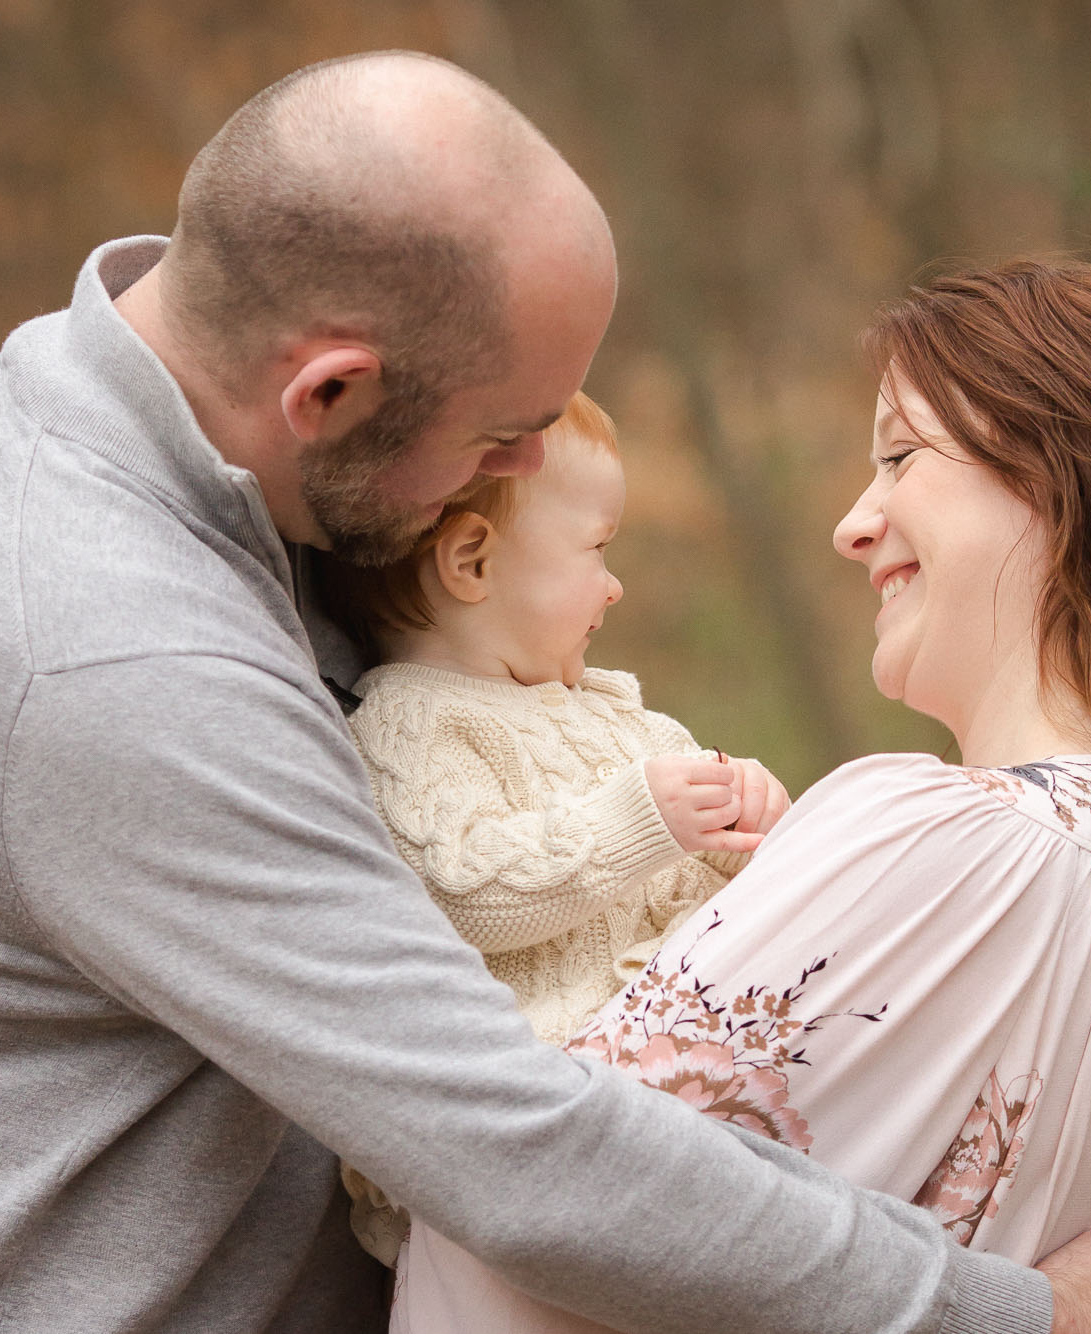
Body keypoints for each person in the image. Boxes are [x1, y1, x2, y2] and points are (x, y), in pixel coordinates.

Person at [0, 50, 1091, 1334]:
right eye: (506, 436)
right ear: (335, 392)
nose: (514, 489)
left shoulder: (217, 437)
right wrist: (1010, 1310)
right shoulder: (102, 649)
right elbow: (511, 1150)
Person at [388, 262, 1091, 1334]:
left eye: (901, 455)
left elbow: (531, 1183)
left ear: (1071, 478)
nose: (851, 525)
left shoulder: (940, 831)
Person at [328, 390, 790, 1260]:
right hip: (551, 1115)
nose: (614, 582)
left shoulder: (617, 715)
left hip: (687, 1071)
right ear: (471, 561)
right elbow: (461, 888)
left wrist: (751, 832)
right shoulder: (414, 726)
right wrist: (635, 823)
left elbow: (702, 878)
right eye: (596, 548)